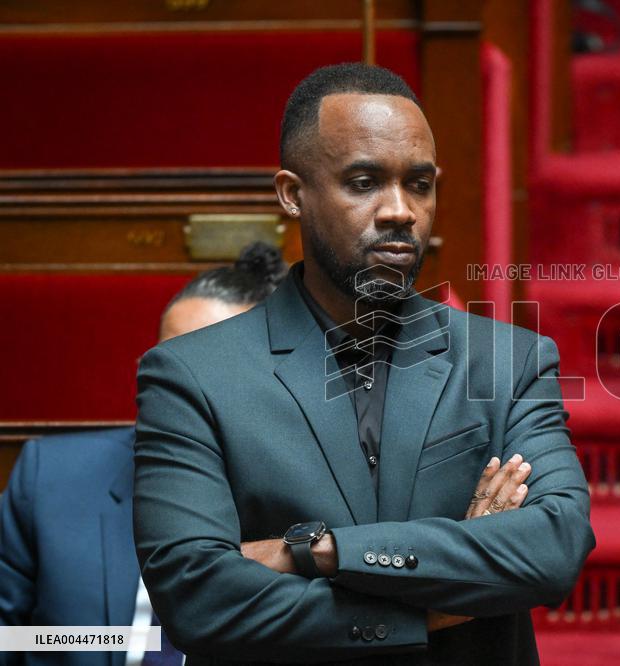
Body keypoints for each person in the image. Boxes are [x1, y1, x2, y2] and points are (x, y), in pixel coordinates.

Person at [131, 62, 595, 665]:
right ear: (292, 194)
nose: (400, 210)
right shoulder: (191, 374)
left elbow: (554, 548)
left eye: (420, 184)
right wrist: (447, 592)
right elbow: (197, 596)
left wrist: (314, 551)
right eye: (364, 181)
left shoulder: (509, 361)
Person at [0, 242, 288, 666]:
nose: (180, 392)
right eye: (166, 368)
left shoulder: (321, 494)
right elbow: (12, 639)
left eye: (212, 375)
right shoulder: (51, 478)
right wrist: (106, 641)